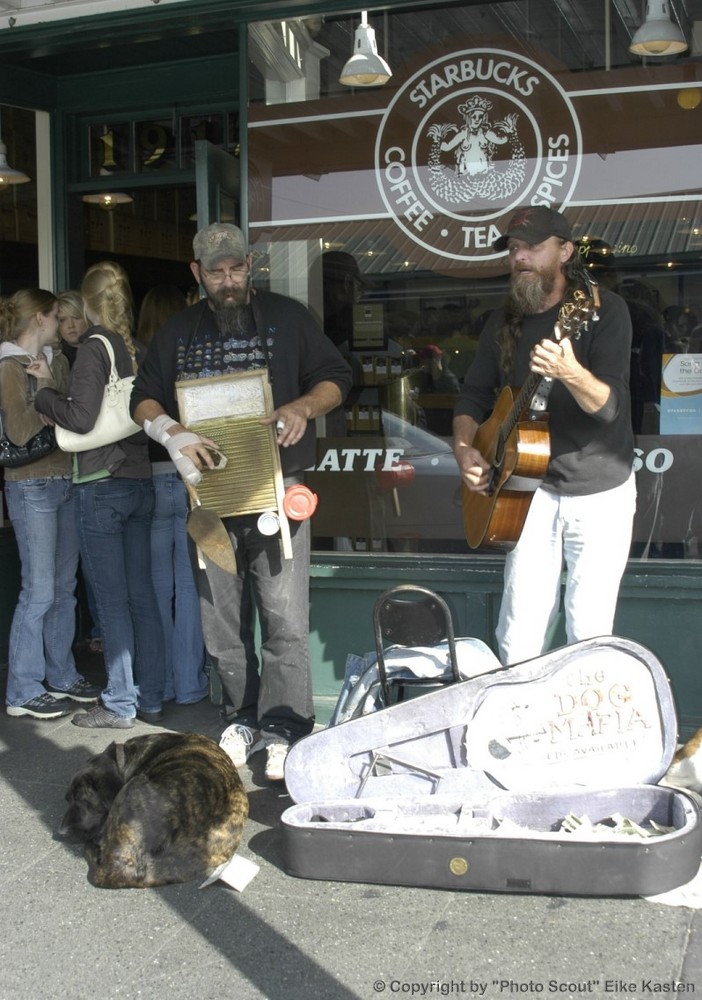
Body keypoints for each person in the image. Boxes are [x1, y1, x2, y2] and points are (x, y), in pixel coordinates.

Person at [130, 222, 352, 780]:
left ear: (250, 265)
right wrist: (171, 433)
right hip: (209, 502)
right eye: (216, 272)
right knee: (220, 622)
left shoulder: (288, 317)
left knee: (284, 619)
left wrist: (302, 407)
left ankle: (286, 729)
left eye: (235, 269)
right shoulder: (178, 332)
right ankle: (240, 719)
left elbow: (336, 378)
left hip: (277, 494)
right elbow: (143, 398)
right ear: (197, 273)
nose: (227, 282)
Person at [453, 206, 636, 666]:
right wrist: (464, 449)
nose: (521, 257)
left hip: (599, 490)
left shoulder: (603, 310)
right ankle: (518, 725)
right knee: (518, 627)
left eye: (533, 246)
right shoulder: (502, 320)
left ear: (565, 250)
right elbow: (473, 396)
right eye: (515, 249)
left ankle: (580, 731)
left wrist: (571, 372)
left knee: (589, 627)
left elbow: (610, 407)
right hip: (526, 488)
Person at [35, 261, 166, 729]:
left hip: (101, 484)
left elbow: (83, 418)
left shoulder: (94, 346)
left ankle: (118, 703)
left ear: (87, 303)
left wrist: (45, 395)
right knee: (142, 597)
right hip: (138, 481)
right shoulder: (136, 348)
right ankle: (149, 694)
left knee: (111, 601)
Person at [0, 288, 100, 719]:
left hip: (66, 479)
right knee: (38, 590)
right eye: (57, 316)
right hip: (31, 484)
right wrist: (45, 390)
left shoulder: (58, 360)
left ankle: (61, 673)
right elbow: (21, 431)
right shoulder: (8, 365)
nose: (63, 324)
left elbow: (71, 413)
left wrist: (49, 391)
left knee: (62, 588)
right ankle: (22, 688)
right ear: (39, 319)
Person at [136, 283, 209, 707]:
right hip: (185, 477)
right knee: (190, 584)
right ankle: (189, 683)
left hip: (147, 476)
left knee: (156, 588)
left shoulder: (139, 361)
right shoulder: (187, 358)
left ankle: (160, 682)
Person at [56, 290, 89, 369]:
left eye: (75, 317)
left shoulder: (100, 350)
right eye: (62, 320)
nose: (70, 325)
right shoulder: (54, 359)